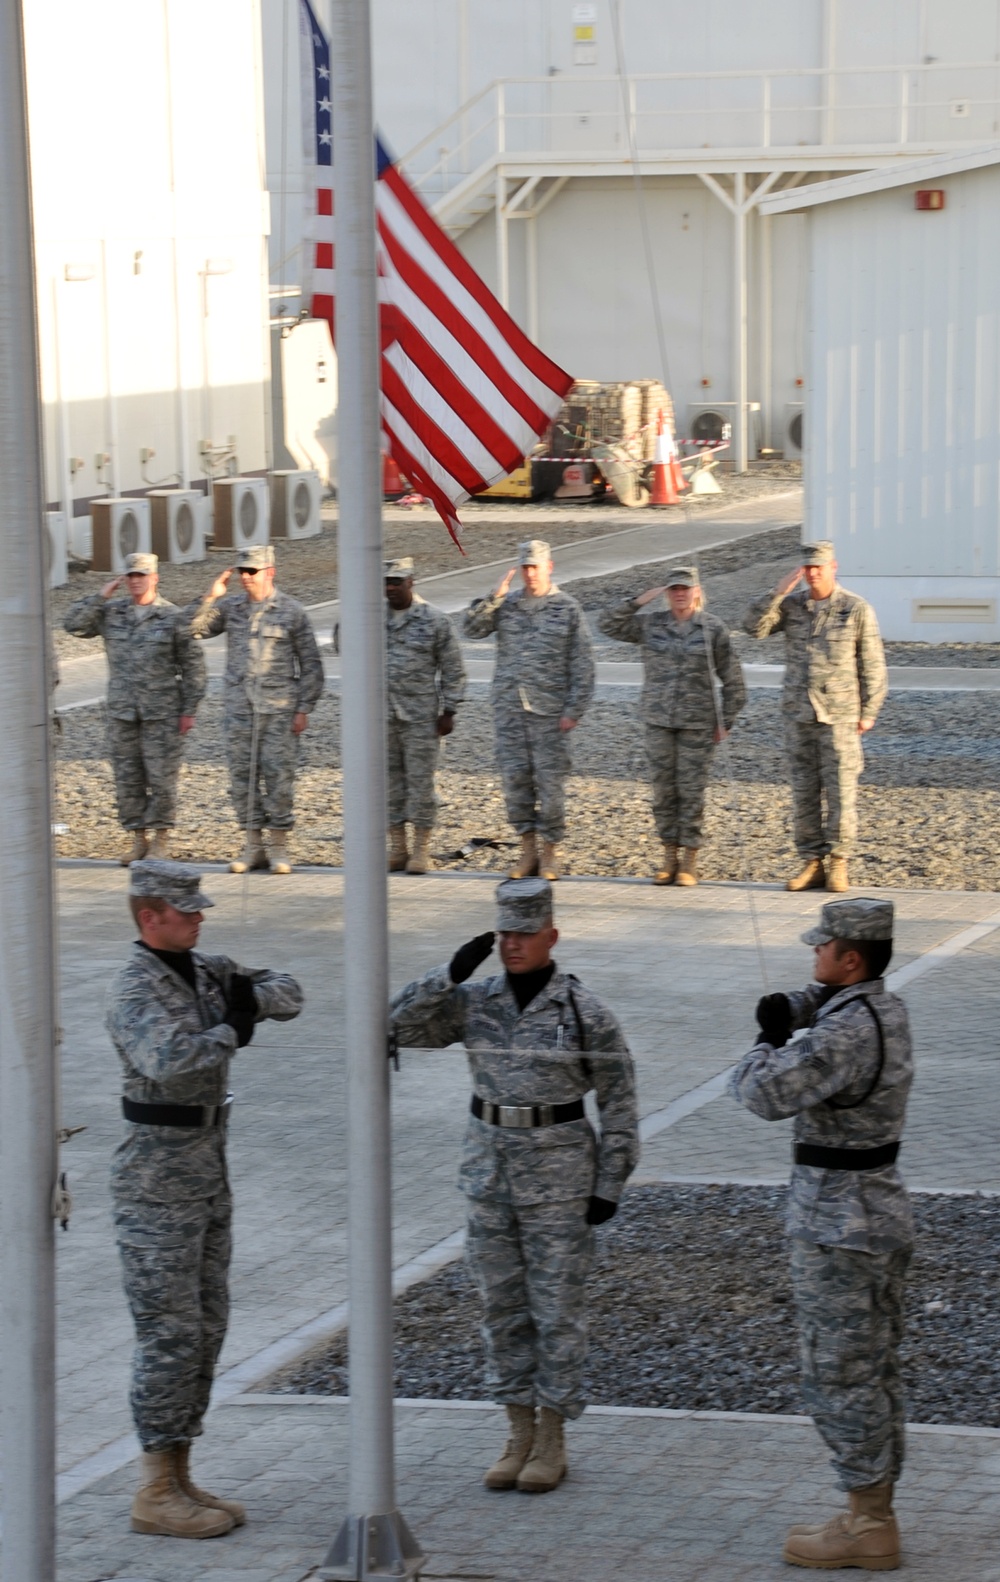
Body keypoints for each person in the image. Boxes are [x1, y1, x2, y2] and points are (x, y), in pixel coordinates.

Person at [390, 876, 639, 1494]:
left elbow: (621, 1100)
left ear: (551, 935)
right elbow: (396, 1026)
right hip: (490, 1174)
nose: (512, 944)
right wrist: (444, 975)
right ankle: (516, 1429)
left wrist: (610, 1180)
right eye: (504, 932)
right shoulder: (474, 1000)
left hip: (560, 1180)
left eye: (525, 933)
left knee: (556, 1310)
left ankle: (552, 1435)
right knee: (499, 1305)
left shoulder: (583, 1012)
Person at [107, 859, 303, 1537]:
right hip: (155, 1180)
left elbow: (289, 991)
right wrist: (231, 1025)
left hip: (205, 1170)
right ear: (148, 916)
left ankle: (181, 1471)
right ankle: (153, 1489)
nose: (197, 919)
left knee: (207, 1326)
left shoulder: (204, 967)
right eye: (184, 911)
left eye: (199, 911)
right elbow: (171, 1058)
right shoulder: (135, 989)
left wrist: (244, 999)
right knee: (168, 1334)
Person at [729, 897, 912, 1570]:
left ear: (851, 958)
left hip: (838, 1223)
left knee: (838, 1373)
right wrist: (799, 1002)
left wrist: (765, 1039)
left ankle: (868, 1526)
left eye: (822, 948)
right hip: (878, 1211)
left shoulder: (843, 1034)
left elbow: (760, 1094)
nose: (813, 955)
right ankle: (874, 1508)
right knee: (876, 1371)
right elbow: (831, 1001)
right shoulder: (882, 1008)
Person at [743, 540, 887, 894]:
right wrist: (777, 592)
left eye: (819, 567)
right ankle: (811, 862)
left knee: (841, 791)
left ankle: (838, 862)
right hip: (798, 715)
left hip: (840, 716)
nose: (812, 573)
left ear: (833, 567)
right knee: (804, 793)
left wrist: (869, 711)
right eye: (807, 568)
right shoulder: (792, 606)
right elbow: (753, 628)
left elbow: (872, 664)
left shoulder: (855, 609)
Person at [598, 564, 746, 887]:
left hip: (698, 723)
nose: (680, 594)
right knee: (664, 791)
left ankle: (690, 858)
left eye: (685, 588)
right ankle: (669, 855)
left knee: (691, 792)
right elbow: (607, 624)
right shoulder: (651, 624)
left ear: (696, 591)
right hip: (659, 720)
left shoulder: (712, 628)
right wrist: (639, 600)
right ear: (666, 593)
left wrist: (727, 719)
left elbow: (733, 678)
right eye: (674, 589)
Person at [186, 544, 324, 875]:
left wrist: (304, 707)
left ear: (270, 572)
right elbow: (192, 629)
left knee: (278, 777)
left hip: (279, 709)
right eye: (241, 572)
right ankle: (252, 846)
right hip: (239, 709)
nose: (245, 578)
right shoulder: (230, 608)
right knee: (242, 778)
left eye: (252, 571)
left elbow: (311, 665)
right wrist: (210, 596)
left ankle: (278, 847)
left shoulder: (292, 611)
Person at [462, 540, 595, 881]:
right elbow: (471, 629)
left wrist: (574, 710)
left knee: (550, 789)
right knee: (516, 785)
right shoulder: (506, 606)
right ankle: (527, 853)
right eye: (525, 568)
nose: (530, 573)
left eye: (536, 567)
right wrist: (494, 597)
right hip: (510, 711)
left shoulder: (567, 609)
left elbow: (583, 665)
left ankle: (550, 855)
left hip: (550, 713)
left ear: (549, 567)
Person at [63, 552, 206, 864]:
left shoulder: (172, 617)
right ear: (123, 579)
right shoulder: (112, 612)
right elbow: (72, 624)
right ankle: (138, 839)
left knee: (161, 778)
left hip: (162, 713)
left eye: (141, 575)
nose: (136, 581)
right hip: (122, 711)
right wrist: (101, 596)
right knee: (127, 777)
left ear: (154, 577)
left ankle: (161, 841)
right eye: (130, 576)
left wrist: (189, 710)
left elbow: (194, 667)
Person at [383, 556, 466, 874]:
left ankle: (420, 850)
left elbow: (453, 669)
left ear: (410, 582)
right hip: (383, 717)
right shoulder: (372, 618)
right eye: (385, 583)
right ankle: (398, 848)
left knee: (420, 785)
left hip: (421, 718)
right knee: (389, 784)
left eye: (396, 582)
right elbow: (344, 645)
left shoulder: (433, 620)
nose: (390, 588)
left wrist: (449, 710)